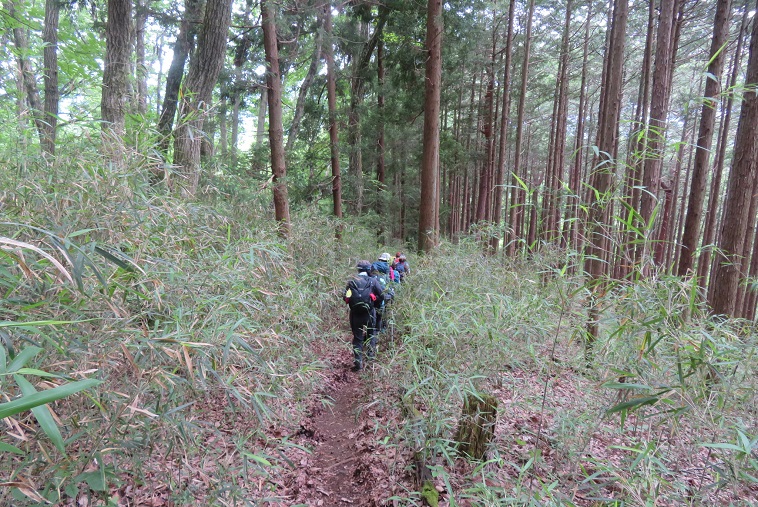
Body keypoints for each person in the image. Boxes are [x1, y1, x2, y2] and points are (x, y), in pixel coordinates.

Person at [344, 260, 384, 371]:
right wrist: (374, 303)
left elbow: (345, 297)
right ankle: (370, 359)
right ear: (368, 269)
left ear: (358, 269)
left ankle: (358, 361)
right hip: (369, 313)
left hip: (355, 314)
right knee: (371, 334)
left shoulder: (351, 281)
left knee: (357, 338)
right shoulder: (373, 281)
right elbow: (381, 295)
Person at [371, 253, 395, 332]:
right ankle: (380, 329)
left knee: (372, 311)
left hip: (372, 293)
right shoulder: (387, 269)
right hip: (383, 294)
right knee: (382, 312)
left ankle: (371, 331)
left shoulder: (373, 266)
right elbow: (390, 282)